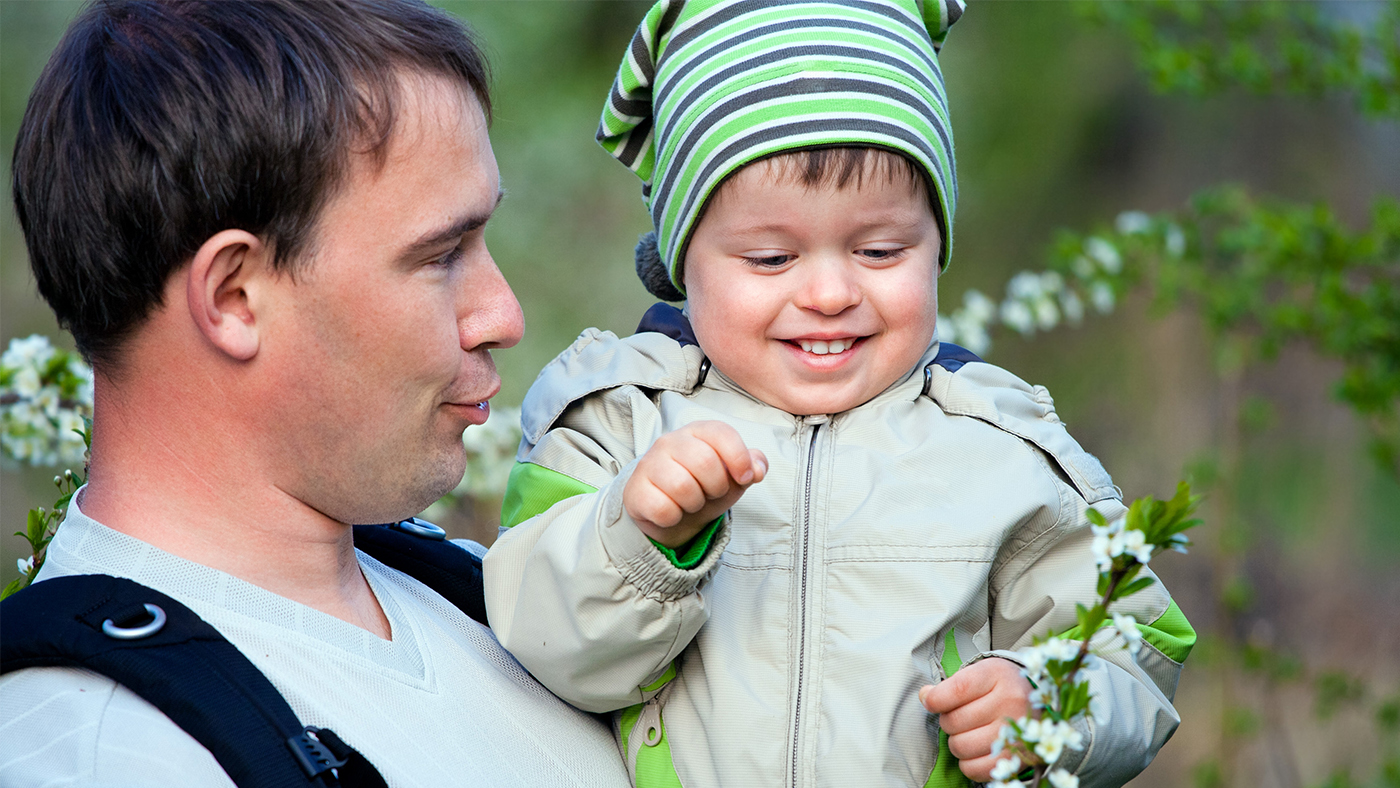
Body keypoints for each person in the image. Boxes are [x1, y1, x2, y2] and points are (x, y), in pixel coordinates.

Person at [483, 1, 1195, 786]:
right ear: (685, 261)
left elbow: (1132, 647)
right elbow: (535, 644)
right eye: (769, 258)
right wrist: (639, 538)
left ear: (937, 247)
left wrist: (1051, 707)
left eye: (880, 249)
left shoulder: (1000, 448)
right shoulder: (617, 421)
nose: (828, 291)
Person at [0, 1, 631, 785]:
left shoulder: (467, 591)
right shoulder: (101, 747)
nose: (503, 314)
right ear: (234, 297)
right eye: (441, 254)